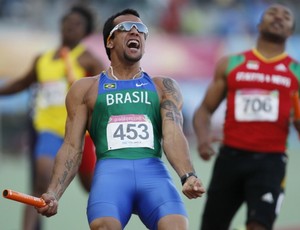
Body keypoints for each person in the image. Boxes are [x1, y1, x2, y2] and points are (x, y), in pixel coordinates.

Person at [35, 8, 206, 230]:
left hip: (154, 175)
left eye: (141, 29)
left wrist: (188, 176)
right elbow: (72, 146)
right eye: (125, 28)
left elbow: (173, 134)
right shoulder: (86, 88)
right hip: (111, 177)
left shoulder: (164, 87)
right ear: (110, 42)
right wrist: (53, 192)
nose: (135, 31)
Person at [193, 3, 300, 230]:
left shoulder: (296, 72)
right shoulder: (231, 64)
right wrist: (203, 140)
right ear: (259, 24)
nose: (279, 17)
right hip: (230, 159)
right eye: (272, 13)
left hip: (271, 163)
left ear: (291, 30)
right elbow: (203, 111)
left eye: (286, 16)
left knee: (259, 225)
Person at [0, 5, 104, 230]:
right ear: (60, 25)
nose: (70, 27)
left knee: (94, 187)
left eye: (77, 24)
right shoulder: (43, 59)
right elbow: (21, 83)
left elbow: (107, 89)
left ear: (85, 31)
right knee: (40, 183)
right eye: (67, 21)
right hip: (49, 129)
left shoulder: (88, 59)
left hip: (80, 133)